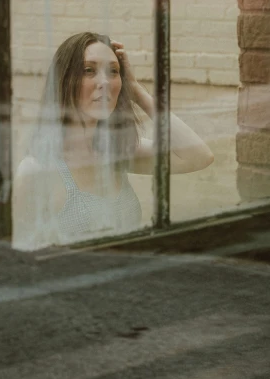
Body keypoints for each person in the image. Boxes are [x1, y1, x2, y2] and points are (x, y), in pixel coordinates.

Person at [14, 32, 214, 249]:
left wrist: (135, 89)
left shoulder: (118, 151)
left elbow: (199, 157)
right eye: (89, 70)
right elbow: (19, 262)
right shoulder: (36, 170)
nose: (105, 82)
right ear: (63, 80)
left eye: (113, 72)